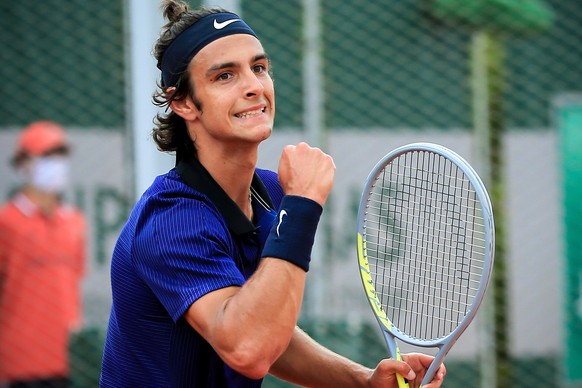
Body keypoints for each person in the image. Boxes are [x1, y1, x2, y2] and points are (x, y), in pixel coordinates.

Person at [100, 1, 446, 387]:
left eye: (259, 68)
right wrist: (302, 206)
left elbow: (267, 330)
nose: (254, 86)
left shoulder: (271, 192)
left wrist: (362, 381)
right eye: (225, 76)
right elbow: (248, 348)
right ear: (182, 102)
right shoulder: (171, 221)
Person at [0, 121, 86, 388]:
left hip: (64, 359)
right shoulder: (7, 222)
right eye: (47, 156)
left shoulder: (74, 222)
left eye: (60, 155)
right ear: (24, 163)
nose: (56, 163)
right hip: (18, 361)